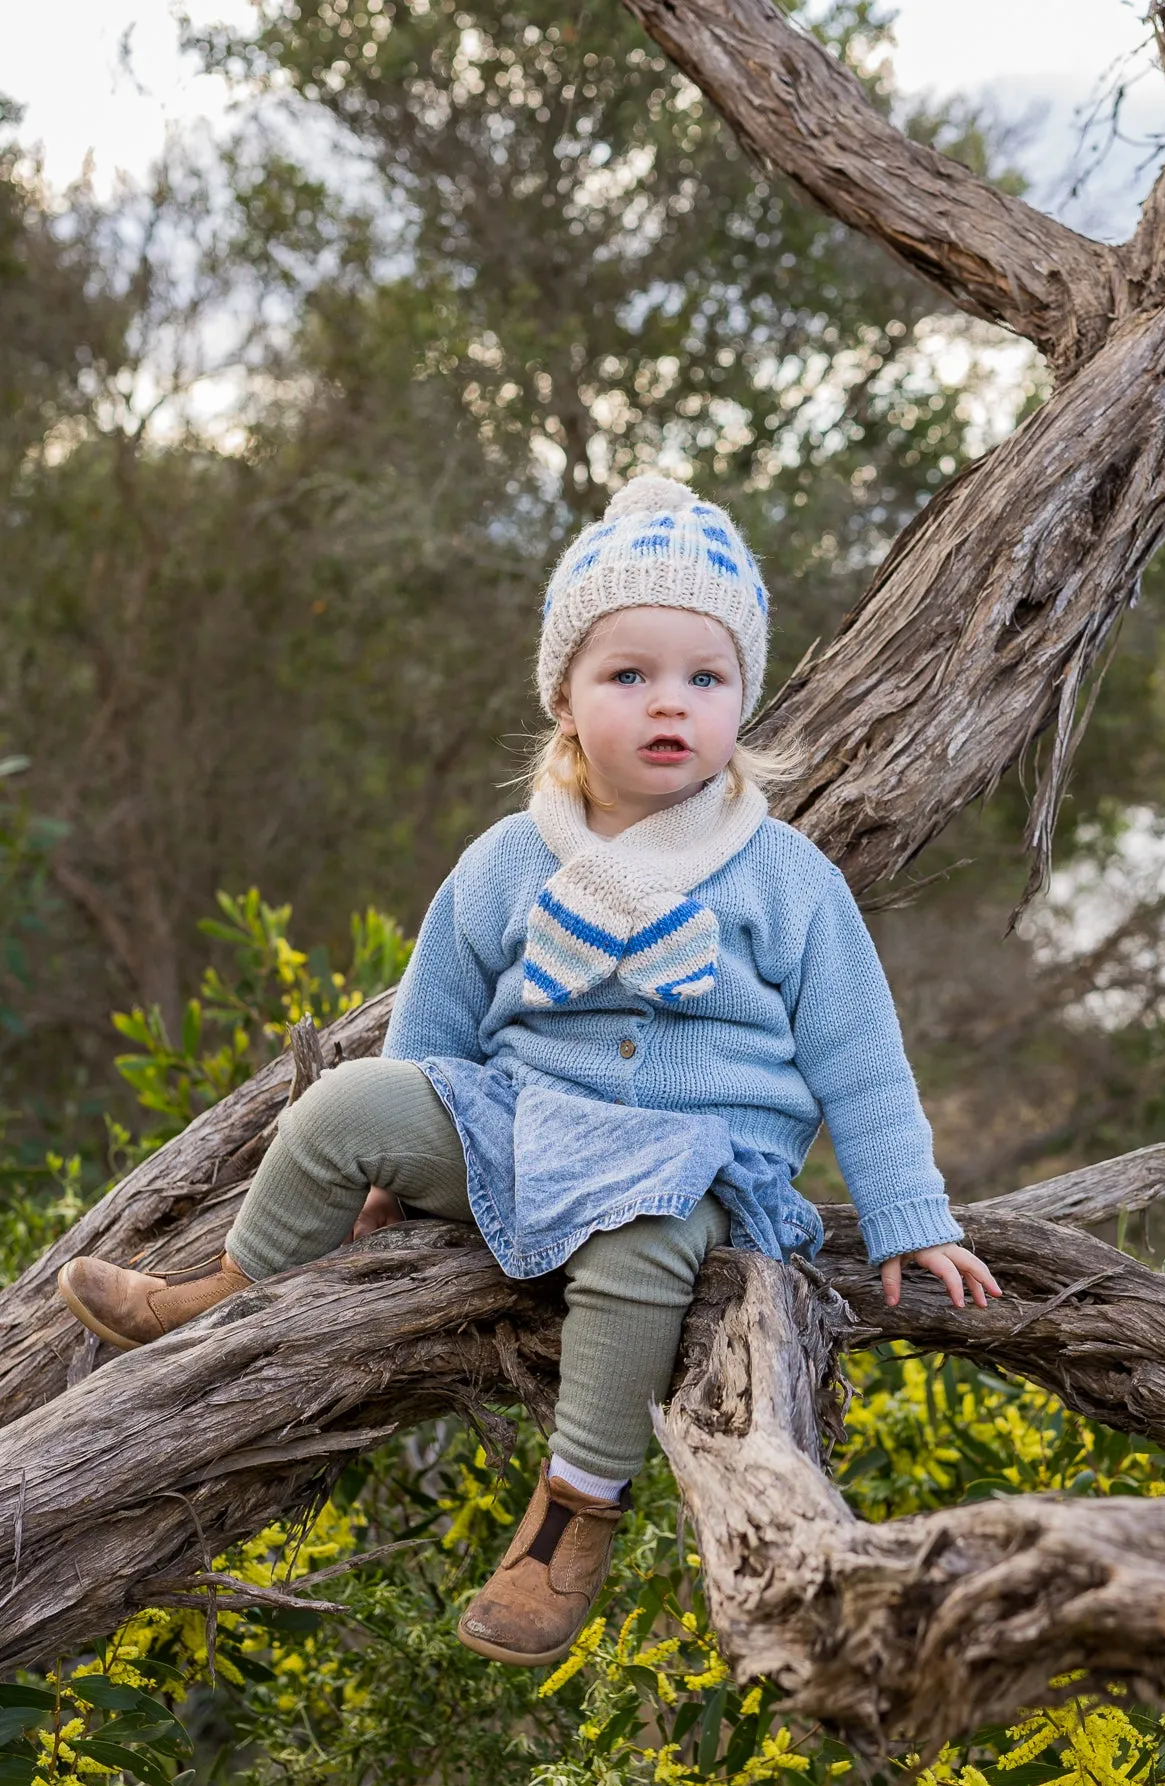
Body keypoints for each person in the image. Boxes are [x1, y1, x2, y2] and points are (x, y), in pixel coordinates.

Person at [57, 474, 1000, 1667]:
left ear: (742, 699)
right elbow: (439, 1015)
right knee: (346, 1098)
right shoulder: (512, 858)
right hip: (521, 1118)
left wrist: (913, 1214)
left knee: (641, 1252)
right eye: (630, 675)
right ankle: (229, 1289)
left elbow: (861, 1058)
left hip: (692, 1151)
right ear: (564, 696)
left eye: (705, 679)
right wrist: (401, 1157)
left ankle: (570, 1513)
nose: (672, 705)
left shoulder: (784, 874)